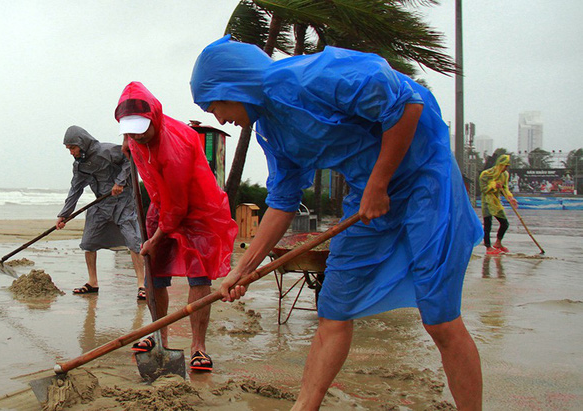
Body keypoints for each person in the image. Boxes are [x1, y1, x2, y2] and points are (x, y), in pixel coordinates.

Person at [190, 36, 484, 410]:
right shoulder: (270, 131)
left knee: (440, 318)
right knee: (334, 309)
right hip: (365, 198)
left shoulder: (313, 77)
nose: (219, 117)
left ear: (237, 84)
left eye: (217, 104)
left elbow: (407, 104)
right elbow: (281, 202)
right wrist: (243, 269)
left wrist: (379, 184)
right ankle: (304, 406)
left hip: (426, 183)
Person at [115, 81, 238, 372]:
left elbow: (178, 209)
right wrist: (128, 140)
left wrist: (155, 239)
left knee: (198, 276)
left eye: (140, 129)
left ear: (154, 118)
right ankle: (159, 334)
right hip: (162, 203)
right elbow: (166, 205)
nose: (135, 135)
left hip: (198, 210)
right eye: (129, 129)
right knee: (153, 273)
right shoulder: (136, 133)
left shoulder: (175, 148)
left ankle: (198, 347)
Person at [56, 125, 146, 299]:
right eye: (68, 149)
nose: (71, 152)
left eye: (72, 148)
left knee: (133, 241)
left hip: (123, 201)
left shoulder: (107, 151)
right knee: (88, 242)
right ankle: (92, 282)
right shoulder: (80, 166)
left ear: (82, 143)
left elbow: (131, 159)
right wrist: (64, 214)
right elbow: (75, 189)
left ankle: (142, 284)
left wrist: (120, 182)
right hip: (101, 203)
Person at [479, 154, 518, 255]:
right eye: (505, 166)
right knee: (488, 225)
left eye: (507, 166)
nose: (506, 168)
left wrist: (510, 198)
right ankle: (488, 247)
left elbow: (505, 188)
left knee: (504, 223)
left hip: (496, 202)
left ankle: (498, 243)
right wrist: (493, 185)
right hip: (487, 202)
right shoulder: (486, 174)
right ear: (500, 164)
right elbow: (483, 189)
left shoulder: (504, 175)